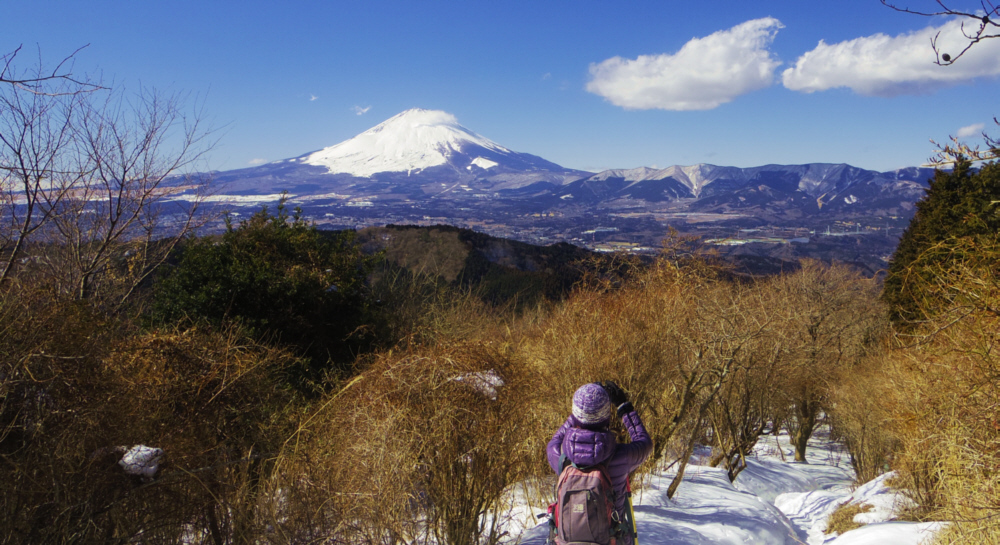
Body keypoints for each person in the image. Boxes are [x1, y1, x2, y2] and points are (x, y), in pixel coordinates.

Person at [546, 381, 652, 545]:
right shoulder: (621, 456)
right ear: (606, 417)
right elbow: (644, 442)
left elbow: (555, 440)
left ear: (576, 415)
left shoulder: (559, 455)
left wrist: (581, 408)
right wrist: (624, 406)